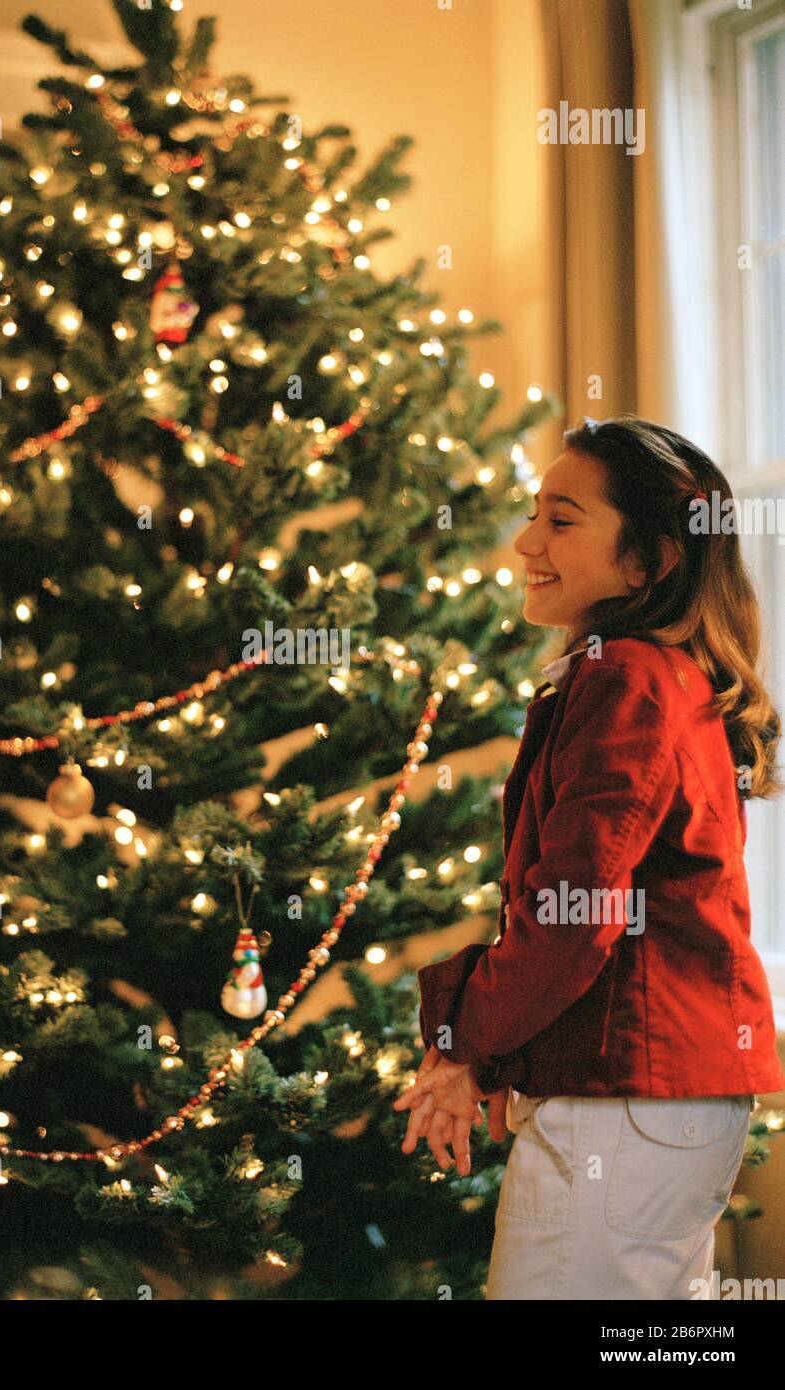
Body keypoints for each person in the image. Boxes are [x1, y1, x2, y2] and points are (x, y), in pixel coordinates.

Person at [393, 415, 785, 1299]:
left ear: (649, 561)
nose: (527, 541)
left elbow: (575, 921)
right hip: (657, 1108)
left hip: (624, 1110)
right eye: (536, 514)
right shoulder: (659, 675)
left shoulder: (627, 680)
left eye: (563, 521)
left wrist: (462, 1044)